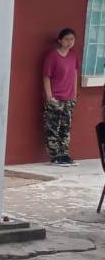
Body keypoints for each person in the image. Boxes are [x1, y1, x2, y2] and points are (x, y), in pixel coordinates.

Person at [42, 28, 79, 166]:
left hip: (69, 98)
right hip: (56, 98)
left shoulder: (73, 56)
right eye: (67, 39)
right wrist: (50, 97)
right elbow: (46, 77)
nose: (70, 42)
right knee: (53, 128)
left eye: (72, 39)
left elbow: (74, 74)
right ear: (60, 40)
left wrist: (74, 94)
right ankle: (55, 156)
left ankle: (64, 154)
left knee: (66, 127)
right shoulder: (52, 56)